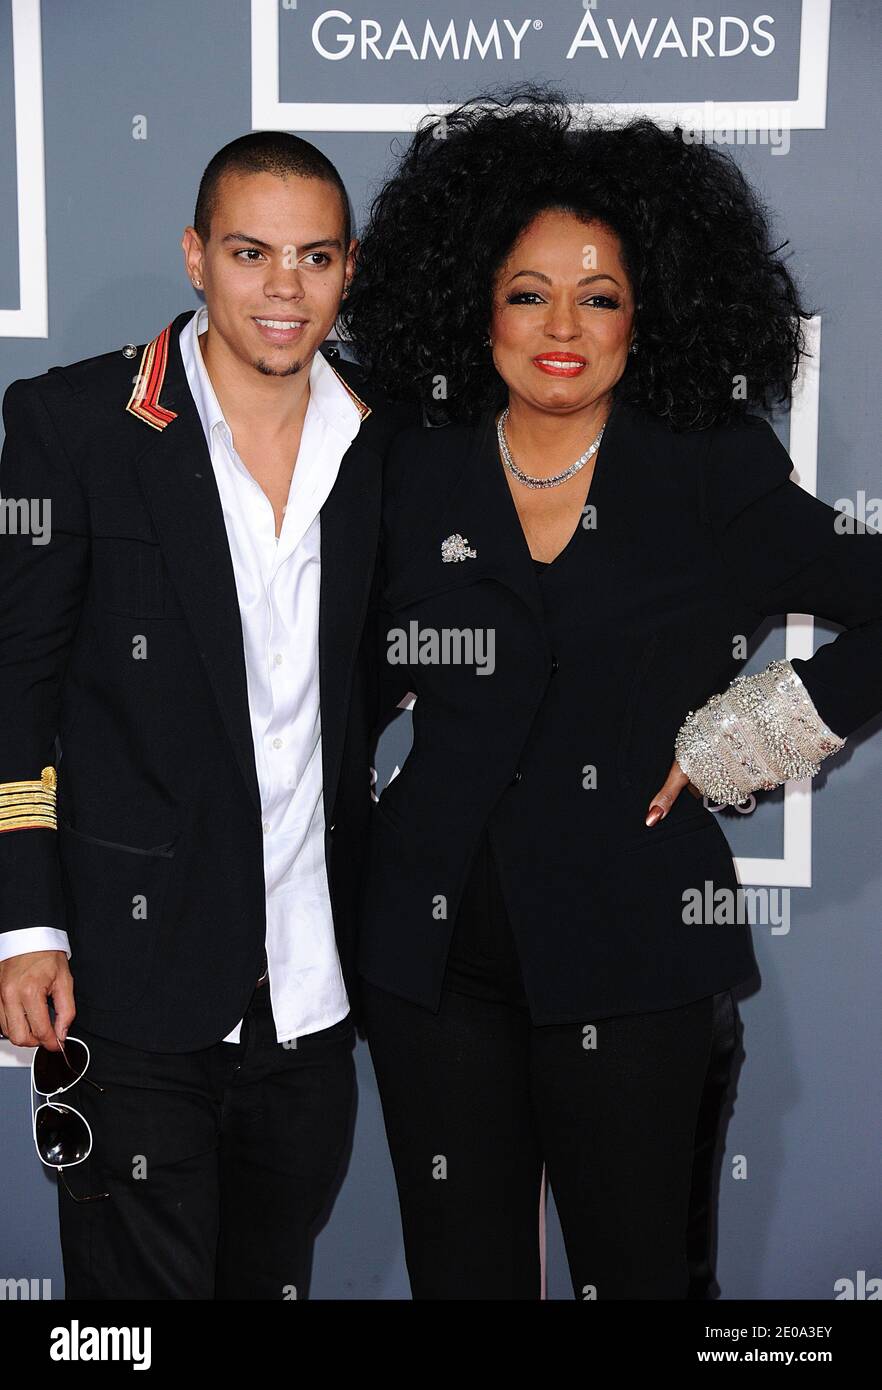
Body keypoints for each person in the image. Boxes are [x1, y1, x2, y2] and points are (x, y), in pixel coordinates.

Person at [340, 89, 882, 1299]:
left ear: (653, 313)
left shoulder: (707, 467)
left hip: (638, 958)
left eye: (601, 296)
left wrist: (758, 730)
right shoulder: (410, 456)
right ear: (475, 298)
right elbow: (331, 662)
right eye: (528, 293)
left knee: (645, 1284)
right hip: (427, 965)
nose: (561, 329)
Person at [0, 132, 415, 1298]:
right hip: (127, 990)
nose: (283, 287)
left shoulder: (388, 443)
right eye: (250, 252)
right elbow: (14, 685)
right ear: (196, 256)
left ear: (348, 268)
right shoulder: (76, 423)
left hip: (313, 993)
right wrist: (24, 924)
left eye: (314, 256)